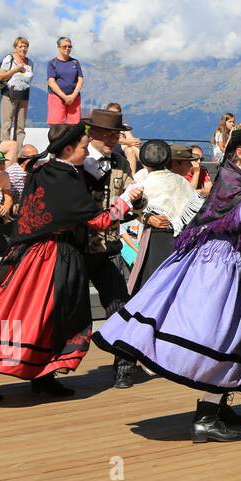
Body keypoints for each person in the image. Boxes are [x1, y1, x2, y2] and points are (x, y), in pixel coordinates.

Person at [94, 126, 241, 443]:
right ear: (239, 153)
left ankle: (218, 404)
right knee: (220, 337)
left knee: (236, 335)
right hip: (216, 266)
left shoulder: (237, 174)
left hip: (226, 260)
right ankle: (207, 417)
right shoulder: (231, 179)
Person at [0, 124, 141, 402]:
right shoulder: (64, 177)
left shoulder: (45, 171)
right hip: (51, 256)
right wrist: (125, 200)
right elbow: (98, 220)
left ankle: (41, 376)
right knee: (33, 315)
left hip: (33, 253)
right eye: (84, 147)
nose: (86, 151)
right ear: (69, 149)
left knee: (35, 316)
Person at [79, 107, 142, 389]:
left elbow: (132, 192)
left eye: (115, 133)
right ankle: (48, 371)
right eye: (106, 133)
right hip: (77, 248)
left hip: (111, 246)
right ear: (93, 133)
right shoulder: (77, 160)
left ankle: (124, 366)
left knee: (119, 306)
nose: (112, 138)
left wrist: (140, 202)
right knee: (64, 309)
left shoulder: (119, 161)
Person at [124, 142, 204, 297]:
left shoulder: (146, 181)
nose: (191, 165)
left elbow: (131, 209)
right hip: (172, 239)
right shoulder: (176, 181)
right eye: (187, 162)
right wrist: (148, 217)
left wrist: (146, 217)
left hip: (159, 239)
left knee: (154, 285)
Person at [0, 36, 34, 142]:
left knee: (20, 127)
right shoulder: (9, 59)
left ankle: (18, 153)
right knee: (6, 125)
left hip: (24, 96)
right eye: (20, 46)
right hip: (9, 94)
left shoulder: (30, 62)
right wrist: (15, 70)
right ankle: (6, 152)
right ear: (15, 48)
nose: (23, 49)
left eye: (25, 46)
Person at [45, 37, 83, 125]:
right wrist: (64, 97)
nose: (67, 48)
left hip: (74, 98)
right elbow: (51, 82)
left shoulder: (75, 62)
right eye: (64, 46)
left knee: (74, 125)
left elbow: (80, 79)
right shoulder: (52, 63)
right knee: (56, 125)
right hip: (56, 97)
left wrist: (73, 95)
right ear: (58, 47)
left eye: (69, 46)